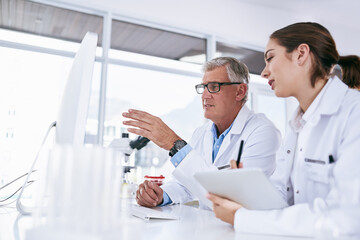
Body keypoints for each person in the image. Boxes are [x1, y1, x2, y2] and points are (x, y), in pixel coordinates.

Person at [207, 22, 360, 236]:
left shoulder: (354, 114)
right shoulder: (298, 123)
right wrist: (247, 189)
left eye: (270, 58)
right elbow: (282, 197)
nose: (264, 72)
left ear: (301, 54)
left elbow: (346, 218)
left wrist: (241, 218)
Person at [123, 57, 281, 209]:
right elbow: (186, 185)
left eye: (213, 87)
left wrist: (175, 144)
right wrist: (161, 195)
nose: (205, 95)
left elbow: (232, 197)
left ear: (239, 91)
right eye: (203, 87)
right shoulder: (202, 133)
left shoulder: (262, 132)